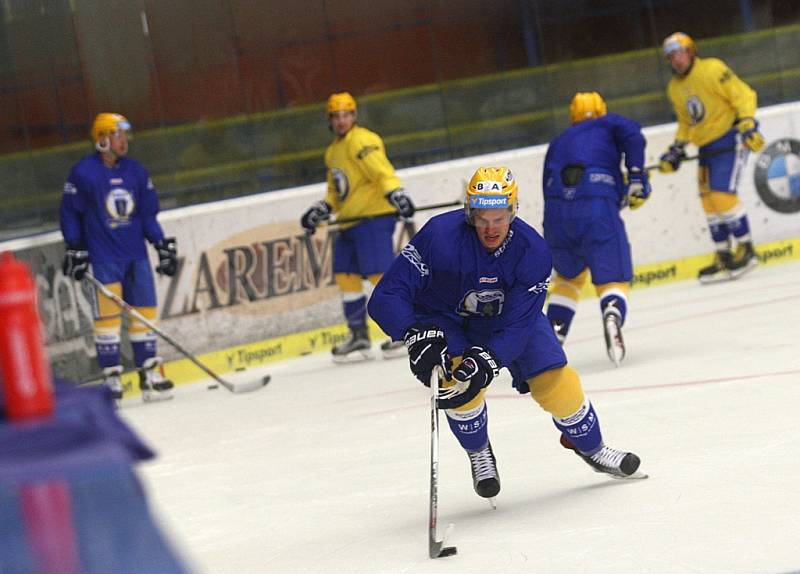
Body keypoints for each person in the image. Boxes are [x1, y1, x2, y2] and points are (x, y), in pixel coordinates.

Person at [368, 166, 646, 502]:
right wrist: (413, 333)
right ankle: (478, 450)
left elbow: (519, 323)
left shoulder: (533, 251)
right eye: (481, 217)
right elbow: (387, 296)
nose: (490, 227)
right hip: (446, 319)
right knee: (457, 383)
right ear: (469, 210)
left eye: (498, 217)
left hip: (510, 321)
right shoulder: (439, 235)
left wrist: (489, 357)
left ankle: (593, 448)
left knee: (556, 380)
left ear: (513, 210)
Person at [60, 113, 178, 403]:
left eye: (126, 135)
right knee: (108, 319)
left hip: (136, 256)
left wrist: (160, 244)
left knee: (144, 315)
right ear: (102, 139)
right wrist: (75, 247)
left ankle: (149, 375)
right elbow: (69, 213)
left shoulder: (136, 172)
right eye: (118, 135)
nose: (124, 141)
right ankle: (112, 378)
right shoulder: (84, 173)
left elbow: (147, 215)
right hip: (104, 258)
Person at [300, 92, 415, 363]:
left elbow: (381, 171)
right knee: (346, 275)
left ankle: (403, 332)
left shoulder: (363, 140)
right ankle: (359, 335)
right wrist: (323, 208)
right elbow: (336, 190)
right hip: (349, 222)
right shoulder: (333, 151)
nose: (342, 121)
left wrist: (395, 193)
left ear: (354, 116)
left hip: (373, 218)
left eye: (346, 115)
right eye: (336, 116)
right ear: (330, 119)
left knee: (379, 275)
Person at [541, 92, 651, 366]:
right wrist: (637, 177)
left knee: (567, 278)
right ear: (601, 110)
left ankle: (554, 332)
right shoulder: (608, 123)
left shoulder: (558, 142)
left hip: (557, 216)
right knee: (613, 276)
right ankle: (612, 311)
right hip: (597, 208)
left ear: (573, 115)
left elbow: (549, 187)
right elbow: (634, 136)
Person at [659, 32, 763, 283]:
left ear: (691, 51)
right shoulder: (674, 88)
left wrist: (748, 123)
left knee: (722, 195)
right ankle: (724, 254)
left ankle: (747, 250)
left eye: (679, 53)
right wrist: (677, 148)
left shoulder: (712, 69)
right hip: (705, 146)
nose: (676, 59)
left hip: (729, 138)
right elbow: (687, 122)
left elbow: (743, 95)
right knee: (708, 200)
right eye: (671, 56)